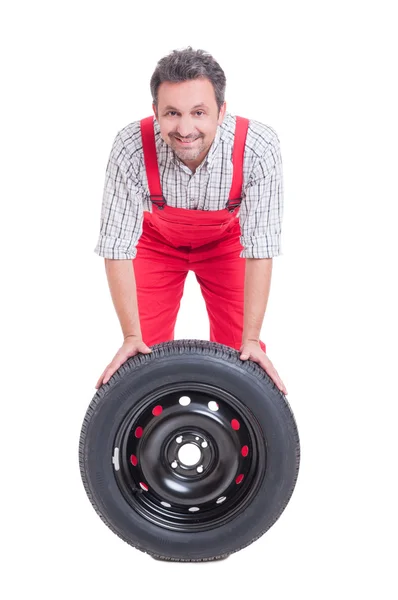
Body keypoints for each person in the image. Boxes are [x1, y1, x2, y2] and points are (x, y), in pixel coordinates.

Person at [94, 46, 287, 395]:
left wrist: (253, 339)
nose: (185, 129)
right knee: (144, 360)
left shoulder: (257, 147)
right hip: (156, 245)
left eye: (199, 112)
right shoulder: (130, 146)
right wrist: (131, 336)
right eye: (172, 113)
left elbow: (260, 247)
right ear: (155, 112)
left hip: (227, 245)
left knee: (240, 358)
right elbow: (117, 246)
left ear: (221, 111)